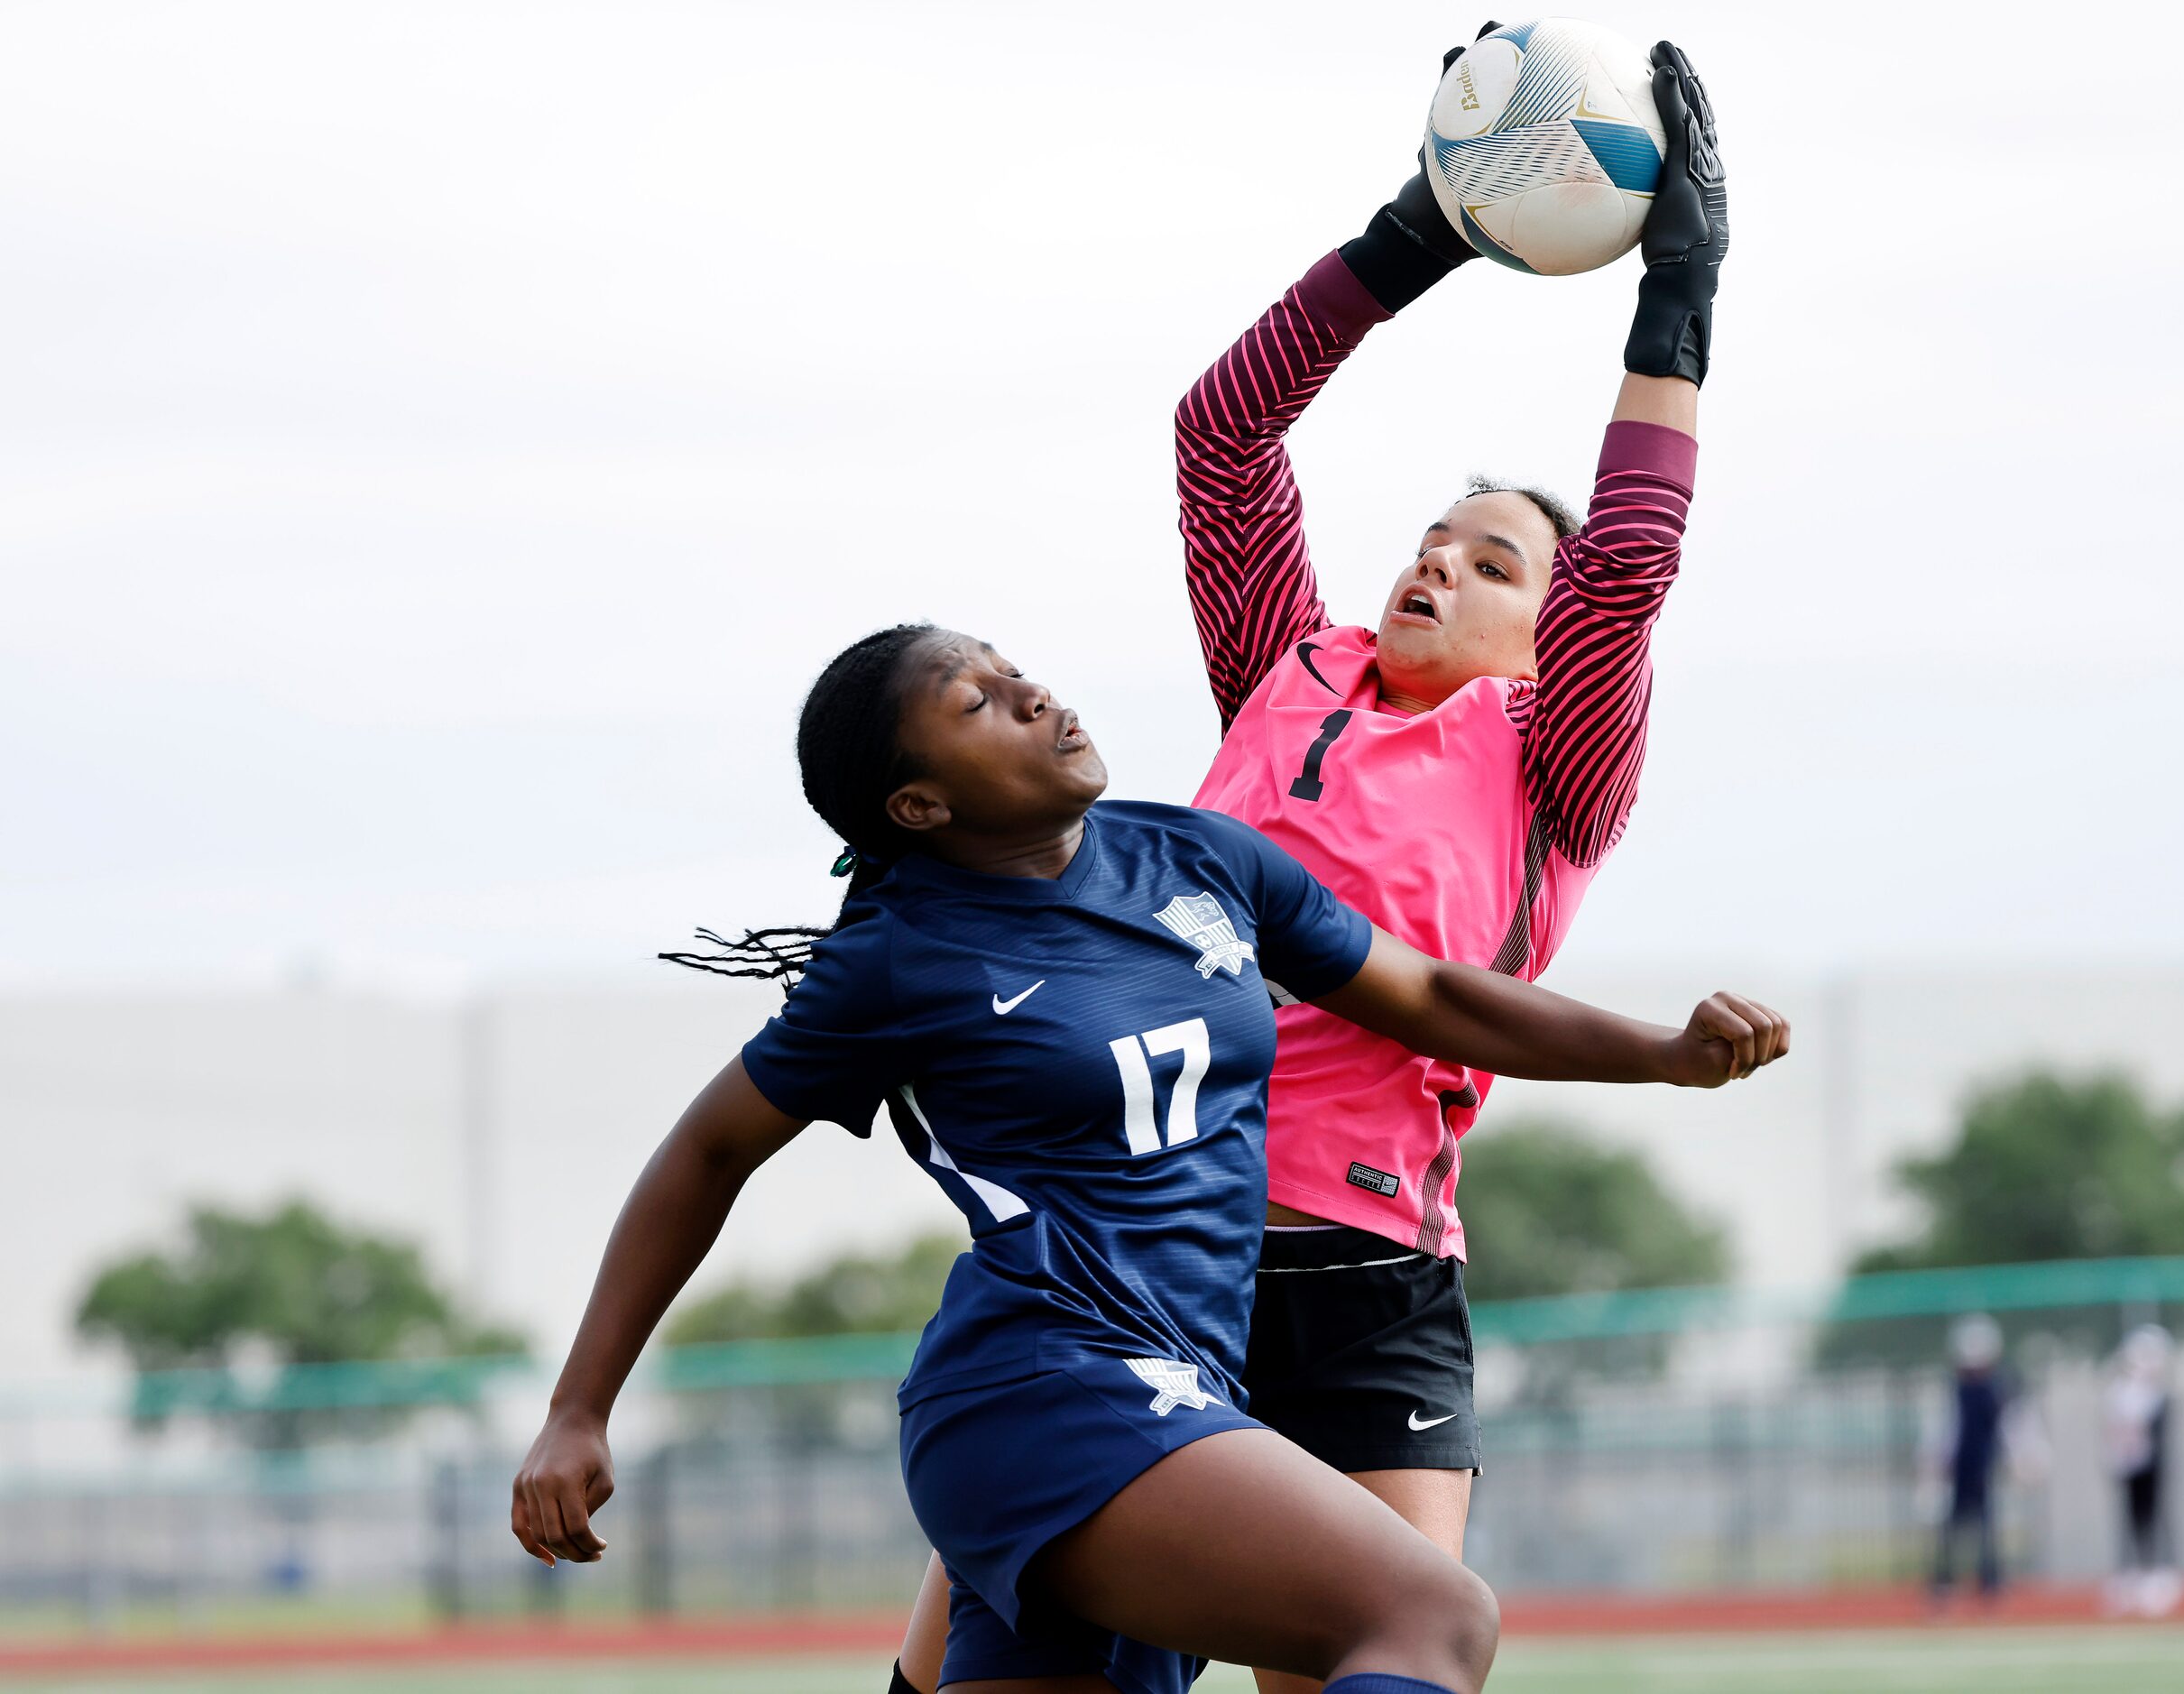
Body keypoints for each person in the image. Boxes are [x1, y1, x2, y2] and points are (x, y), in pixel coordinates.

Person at [900, 26, 1733, 1694]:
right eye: (1430, 538)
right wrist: (1422, 226)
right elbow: (1223, 433)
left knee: (1396, 1648)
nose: (1437, 560)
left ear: (1542, 633)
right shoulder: (1287, 661)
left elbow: (1625, 568)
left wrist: (1680, 300)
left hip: (1367, 1292)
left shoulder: (1551, 761)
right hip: (1139, 1249)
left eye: (1490, 560)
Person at [510, 624, 1789, 1694]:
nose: (1031, 691)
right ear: (918, 804)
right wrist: (579, 1405)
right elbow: (706, 1149)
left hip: (1172, 1392)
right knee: (1432, 1617)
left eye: (1014, 668)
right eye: (977, 701)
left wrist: (1665, 1053)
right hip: (1045, 1392)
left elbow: (1433, 998)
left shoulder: (1196, 855)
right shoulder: (900, 955)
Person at [1929, 1314, 2008, 1604]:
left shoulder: (1996, 1390)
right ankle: (1944, 1583)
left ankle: (1989, 1583)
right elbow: (1945, 1430)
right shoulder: (1955, 1390)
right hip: (1959, 1468)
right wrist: (1938, 1460)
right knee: (1952, 1528)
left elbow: (2007, 1428)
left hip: (1983, 1466)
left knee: (1986, 1528)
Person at [2102, 1323, 2179, 1618]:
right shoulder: (2121, 1393)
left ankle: (2156, 1575)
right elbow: (2116, 1431)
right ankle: (2129, 1577)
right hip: (2128, 1466)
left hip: (2150, 1466)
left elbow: (2155, 1433)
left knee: (2153, 1518)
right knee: (2130, 1520)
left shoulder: (2156, 1395)